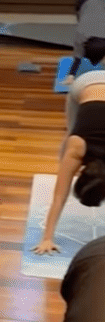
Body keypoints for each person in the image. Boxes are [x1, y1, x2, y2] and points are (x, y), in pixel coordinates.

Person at [33, 69, 105, 255]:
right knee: (70, 134)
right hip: (85, 85)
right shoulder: (76, 147)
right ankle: (65, 167)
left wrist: (47, 239)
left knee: (72, 139)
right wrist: (47, 238)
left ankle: (66, 168)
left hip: (91, 85)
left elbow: (59, 196)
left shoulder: (78, 148)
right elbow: (59, 196)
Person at [63, 0, 105, 82]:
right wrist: (71, 75)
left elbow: (78, 55)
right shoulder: (82, 32)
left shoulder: (82, 34)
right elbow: (78, 55)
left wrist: (71, 76)